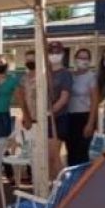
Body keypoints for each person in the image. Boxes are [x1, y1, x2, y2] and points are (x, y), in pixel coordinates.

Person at [66, 48, 99, 166]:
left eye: (85, 58)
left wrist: (90, 123)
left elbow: (95, 102)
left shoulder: (91, 77)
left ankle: (82, 180)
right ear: (74, 59)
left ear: (89, 60)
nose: (82, 60)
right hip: (69, 117)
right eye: (80, 57)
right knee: (71, 151)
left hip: (84, 117)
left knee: (82, 152)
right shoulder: (69, 75)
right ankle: (72, 181)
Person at [46, 41, 72, 179]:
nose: (54, 55)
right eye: (51, 52)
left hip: (59, 118)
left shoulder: (65, 74)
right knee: (47, 159)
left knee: (54, 156)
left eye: (57, 52)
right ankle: (52, 189)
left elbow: (64, 98)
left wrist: (51, 111)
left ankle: (66, 187)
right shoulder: (45, 73)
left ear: (62, 54)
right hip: (46, 120)